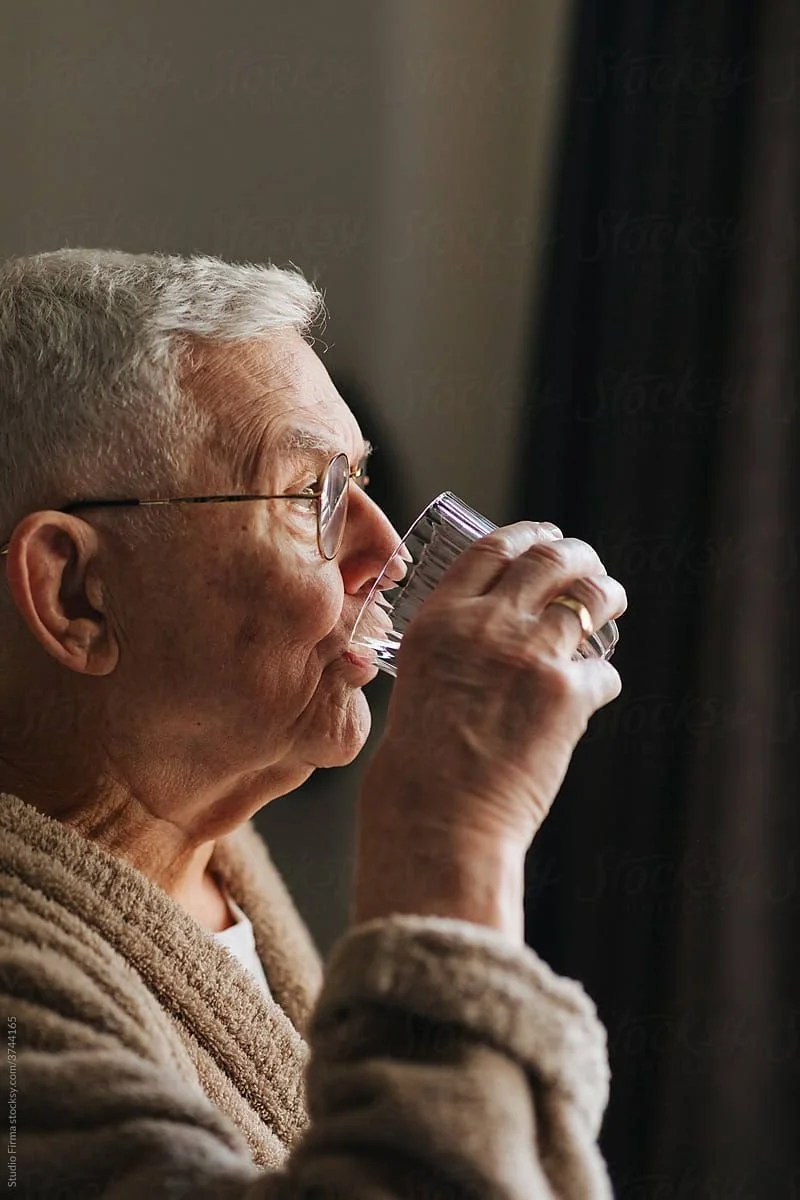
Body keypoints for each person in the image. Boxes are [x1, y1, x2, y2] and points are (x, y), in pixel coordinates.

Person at [0, 249, 626, 1199]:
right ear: (77, 594)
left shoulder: (208, 853)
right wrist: (451, 845)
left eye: (359, 480)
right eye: (312, 495)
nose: (389, 552)